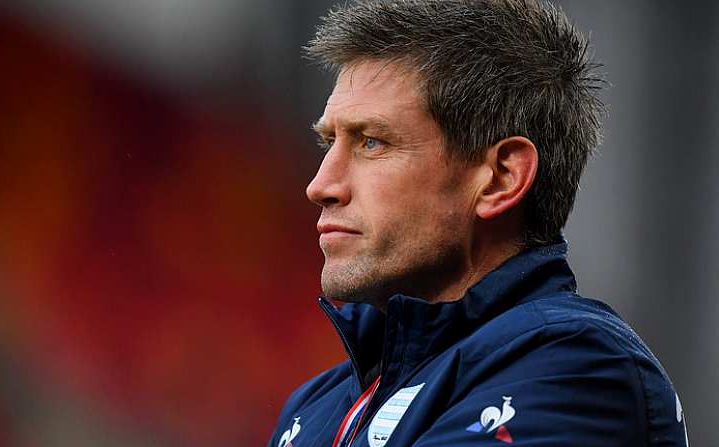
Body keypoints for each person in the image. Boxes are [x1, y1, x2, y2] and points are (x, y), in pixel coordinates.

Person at [269, 0, 689, 446]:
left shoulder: (576, 367)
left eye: (372, 142)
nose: (320, 185)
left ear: (500, 179)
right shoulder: (314, 406)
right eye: (329, 141)